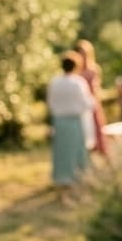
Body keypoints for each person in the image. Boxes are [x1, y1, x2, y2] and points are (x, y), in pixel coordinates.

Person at [46, 51, 94, 188]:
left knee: (62, 150)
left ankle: (61, 177)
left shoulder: (54, 82)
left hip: (59, 121)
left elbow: (50, 103)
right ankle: (76, 176)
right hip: (74, 121)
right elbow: (87, 103)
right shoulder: (78, 83)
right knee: (76, 150)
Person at [74, 38, 108, 154]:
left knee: (97, 130)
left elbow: (97, 90)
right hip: (81, 106)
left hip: (93, 105)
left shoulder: (94, 69)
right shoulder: (76, 71)